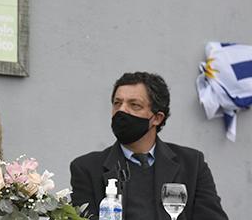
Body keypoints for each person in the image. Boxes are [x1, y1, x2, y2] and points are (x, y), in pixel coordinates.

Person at [69, 72, 228, 219]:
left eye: (134, 105)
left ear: (157, 118)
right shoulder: (86, 168)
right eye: (117, 103)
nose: (121, 111)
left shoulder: (193, 164)